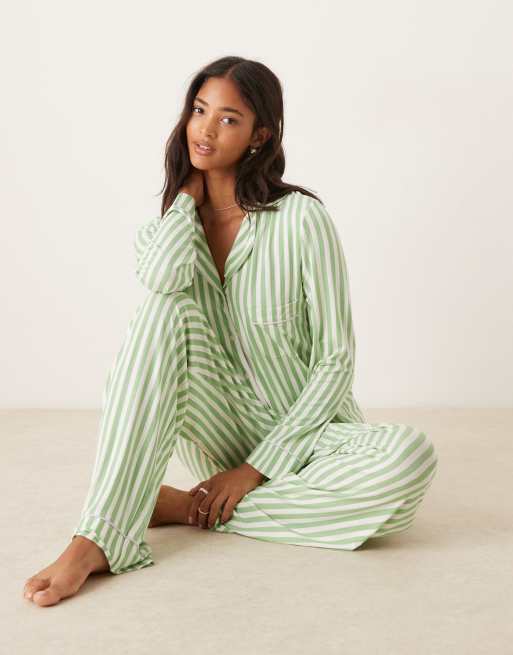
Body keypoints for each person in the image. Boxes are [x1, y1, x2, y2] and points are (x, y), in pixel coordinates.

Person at [23, 56, 438, 607]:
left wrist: (254, 470)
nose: (206, 129)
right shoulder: (164, 235)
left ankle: (183, 507)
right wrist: (186, 201)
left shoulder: (301, 220)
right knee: (162, 310)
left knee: (409, 457)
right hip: (222, 434)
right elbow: (163, 282)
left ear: (259, 135)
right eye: (199, 111)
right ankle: (96, 536)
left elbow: (336, 360)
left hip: (313, 437)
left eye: (228, 119)